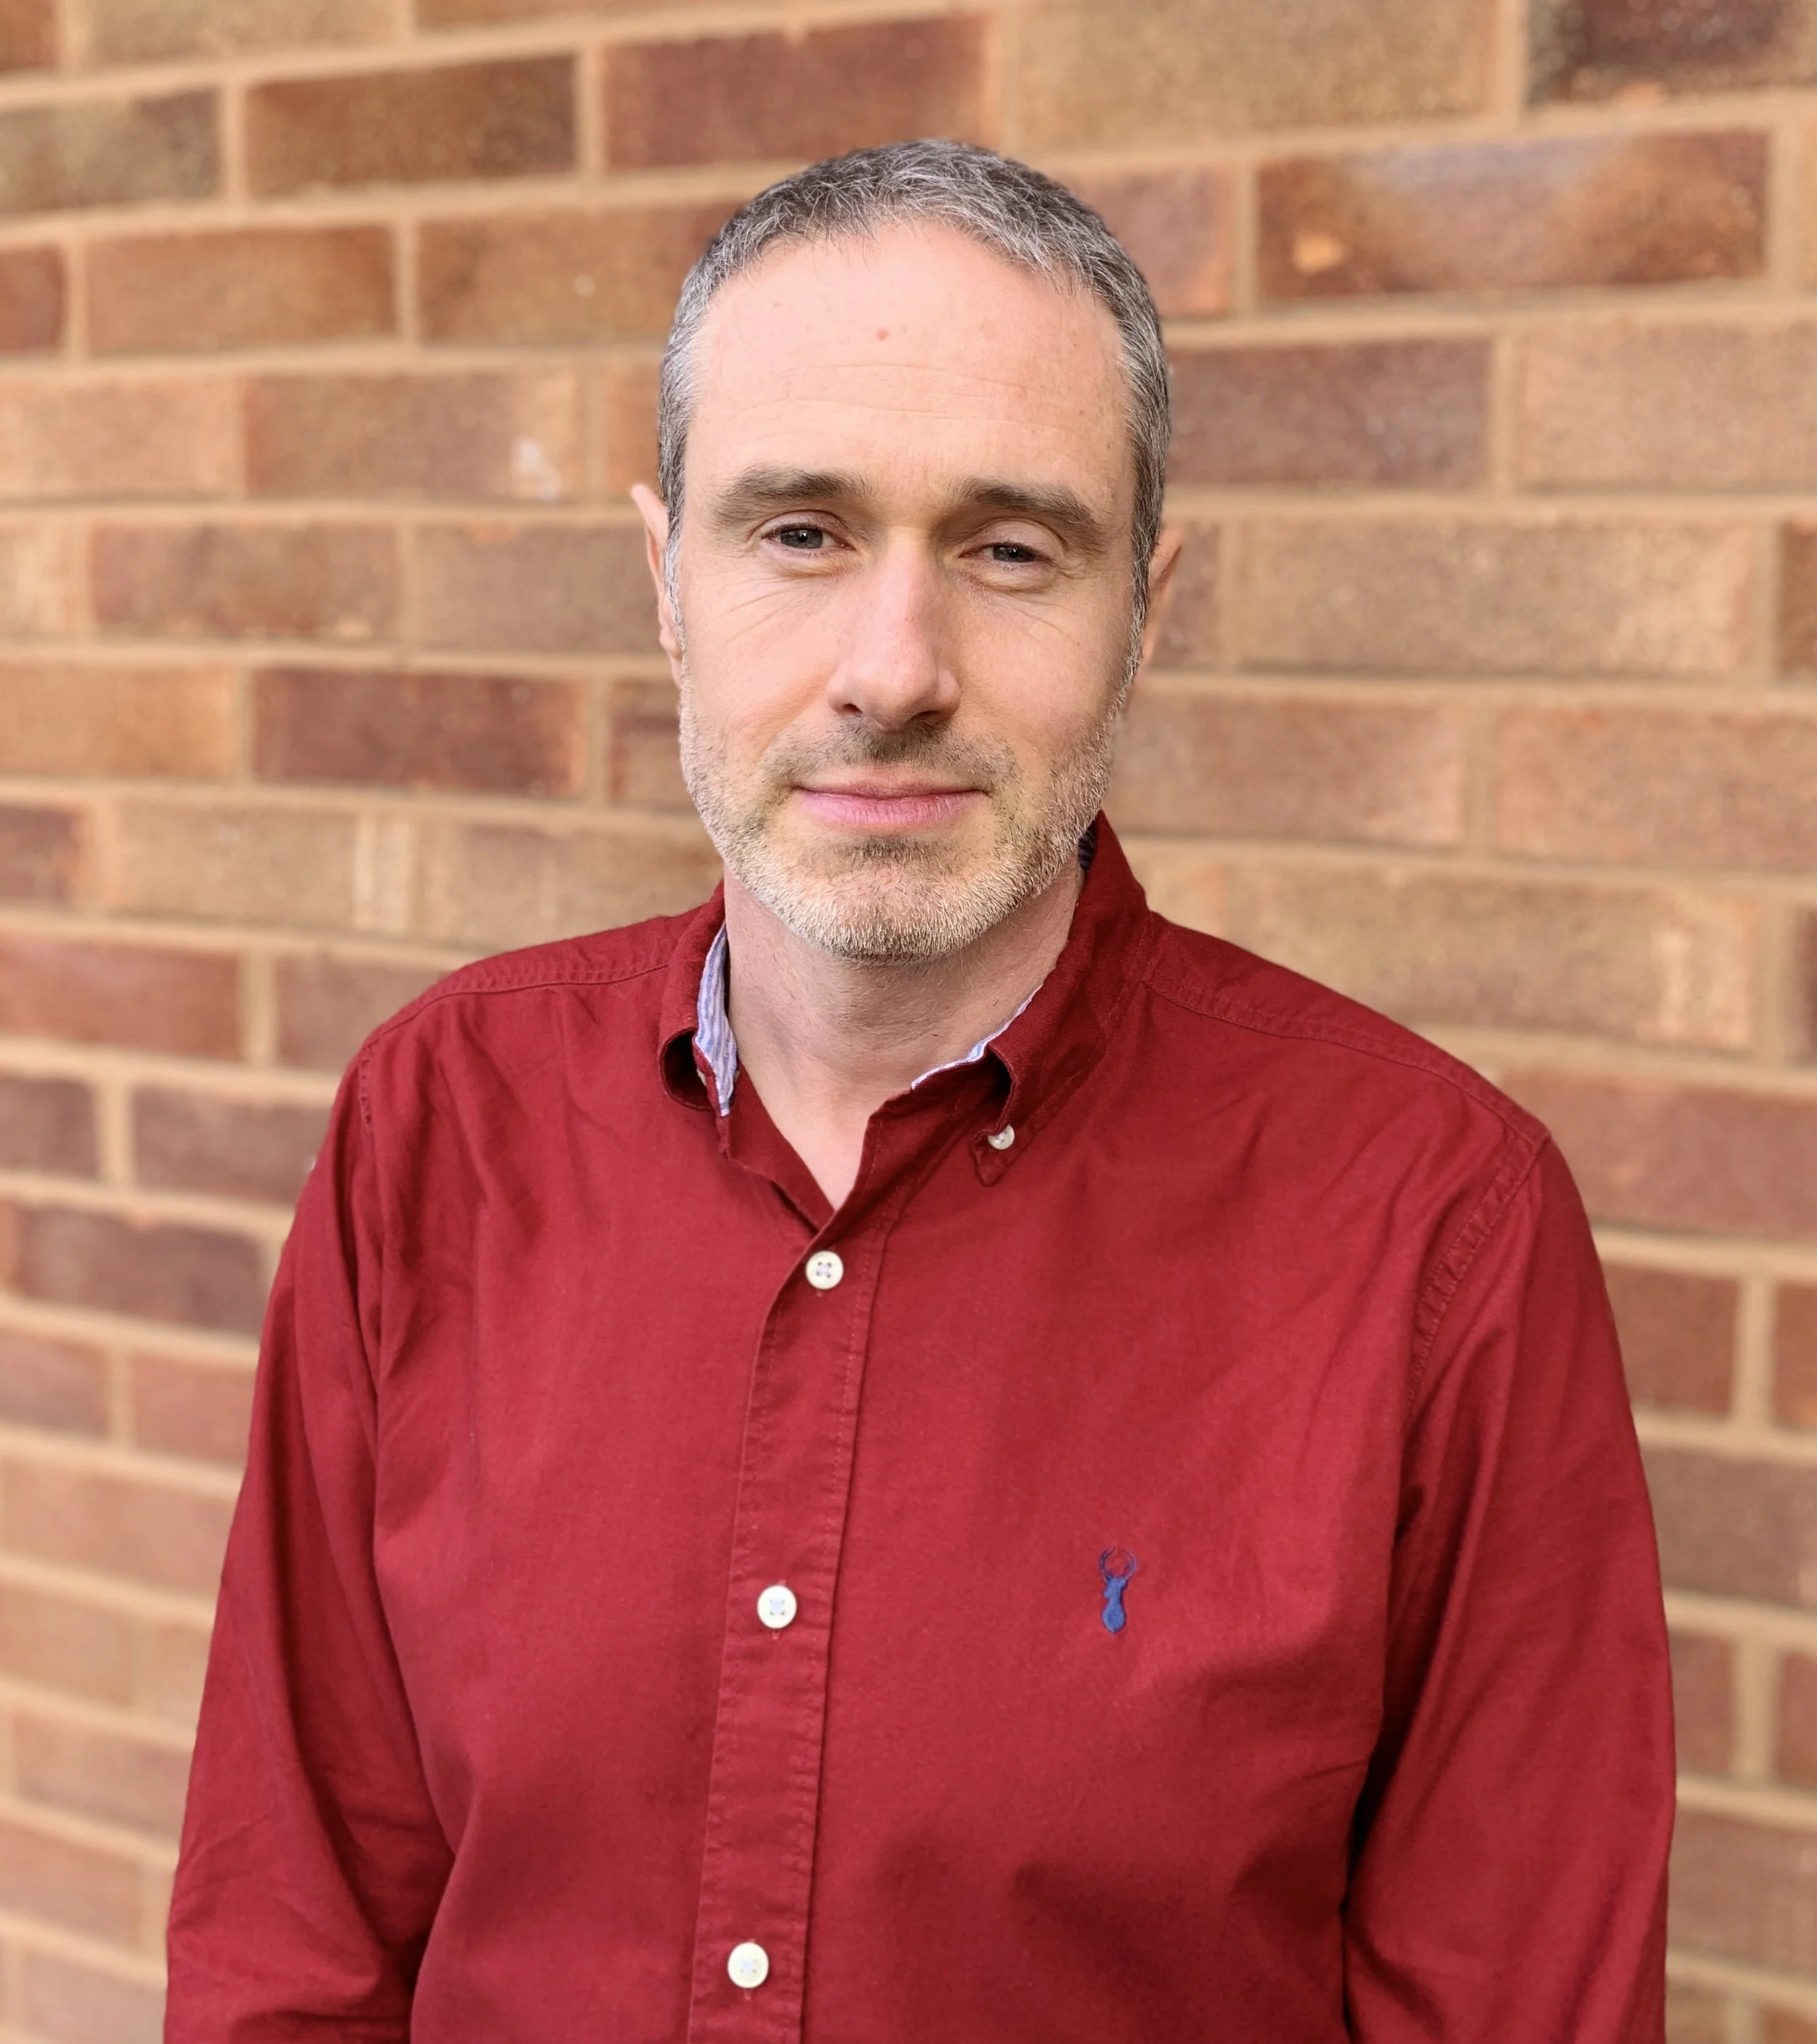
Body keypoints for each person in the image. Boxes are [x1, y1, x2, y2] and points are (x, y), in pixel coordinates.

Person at [166, 140, 1672, 2042]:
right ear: (664, 580)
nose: (894, 669)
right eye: (797, 532)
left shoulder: (1431, 1227)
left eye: (1008, 548)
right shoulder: (438, 1124)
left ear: (1147, 605)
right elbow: (291, 1947)